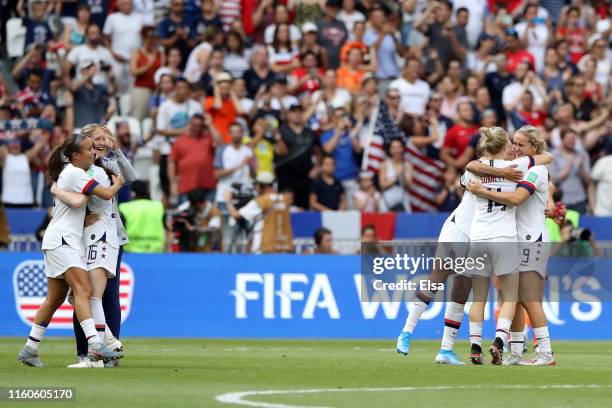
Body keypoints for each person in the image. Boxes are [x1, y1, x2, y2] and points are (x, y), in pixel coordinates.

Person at [17, 132, 124, 368]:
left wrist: (56, 191)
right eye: (87, 149)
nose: (92, 152)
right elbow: (102, 195)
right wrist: (117, 182)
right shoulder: (75, 173)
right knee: (84, 288)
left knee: (54, 299)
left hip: (59, 239)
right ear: (75, 156)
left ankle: (30, 349)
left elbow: (76, 203)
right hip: (64, 240)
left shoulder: (71, 173)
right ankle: (96, 345)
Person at [466, 125, 556, 366]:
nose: (515, 148)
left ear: (534, 147)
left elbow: (517, 200)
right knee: (509, 296)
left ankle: (546, 353)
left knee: (528, 297)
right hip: (512, 239)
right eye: (513, 143)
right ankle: (516, 352)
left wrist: (482, 190)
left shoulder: (536, 170)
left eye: (520, 144)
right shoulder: (514, 167)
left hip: (532, 239)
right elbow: (473, 165)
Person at [224, 172, 293, 254]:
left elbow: (236, 215)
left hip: (266, 248)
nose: (256, 188)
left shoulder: (261, 201)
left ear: (262, 185)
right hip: (285, 247)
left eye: (257, 185)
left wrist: (228, 200)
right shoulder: (285, 199)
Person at [168, 114, 221, 204]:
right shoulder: (179, 141)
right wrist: (173, 183)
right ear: (189, 124)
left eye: (199, 125)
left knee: (207, 215)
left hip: (207, 185)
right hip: (186, 186)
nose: (196, 128)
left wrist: (210, 124)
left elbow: (220, 143)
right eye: (194, 124)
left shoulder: (207, 138)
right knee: (186, 215)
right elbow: (172, 163)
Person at [214, 123, 255, 211]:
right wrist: (237, 167)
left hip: (244, 196)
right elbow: (216, 174)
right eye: (233, 132)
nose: (236, 135)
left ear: (243, 133)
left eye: (239, 132)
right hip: (225, 195)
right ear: (229, 134)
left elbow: (254, 174)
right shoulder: (223, 150)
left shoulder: (249, 151)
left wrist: (250, 164)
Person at [0, 133, 49, 207]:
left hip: (26, 200)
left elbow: (40, 144)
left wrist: (47, 129)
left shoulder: (26, 157)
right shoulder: (5, 158)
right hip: (8, 200)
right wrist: (9, 137)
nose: (15, 145)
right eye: (12, 143)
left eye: (17, 142)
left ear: (21, 145)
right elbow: (2, 148)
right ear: (8, 146)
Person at [550, 129, 590, 214]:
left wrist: (581, 167)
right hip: (561, 199)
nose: (571, 141)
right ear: (562, 139)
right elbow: (553, 180)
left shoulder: (582, 154)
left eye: (573, 139)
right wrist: (568, 167)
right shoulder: (554, 155)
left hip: (579, 198)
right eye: (569, 139)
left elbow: (588, 181)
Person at [119, 180, 165, 253]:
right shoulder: (158, 206)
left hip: (131, 252)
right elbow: (167, 228)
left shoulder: (124, 208)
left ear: (132, 193)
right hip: (156, 251)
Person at [130, 25, 164, 120]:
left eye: (154, 37)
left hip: (156, 90)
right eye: (148, 37)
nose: (151, 40)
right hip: (141, 88)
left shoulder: (160, 54)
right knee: (138, 117)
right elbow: (133, 71)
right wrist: (147, 66)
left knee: (155, 118)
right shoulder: (137, 52)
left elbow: (162, 72)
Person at [379, 138, 412, 212]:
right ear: (390, 150)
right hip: (387, 200)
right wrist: (396, 177)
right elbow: (382, 185)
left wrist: (403, 175)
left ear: (402, 149)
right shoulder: (384, 165)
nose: (396, 150)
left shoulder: (407, 165)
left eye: (399, 147)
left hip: (403, 200)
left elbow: (408, 186)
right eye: (394, 148)